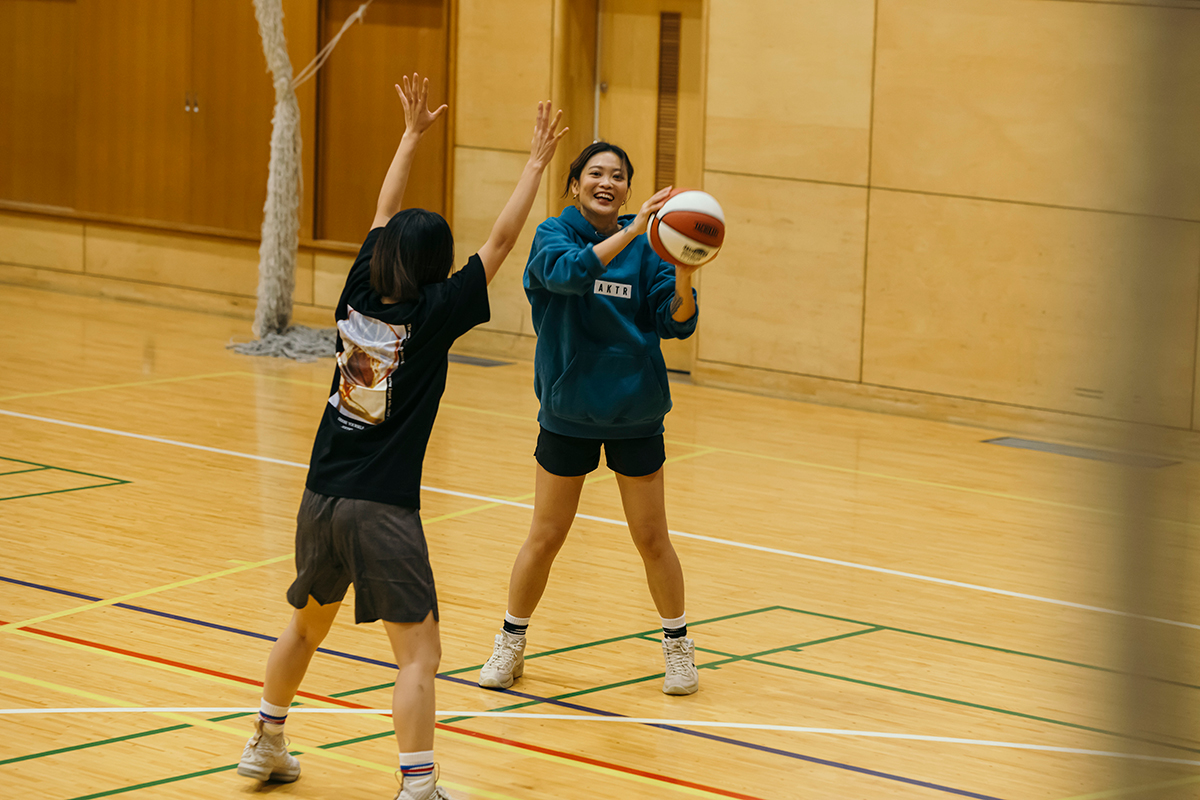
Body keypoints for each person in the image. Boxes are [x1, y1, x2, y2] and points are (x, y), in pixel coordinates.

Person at [236, 74, 567, 800]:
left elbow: (385, 212)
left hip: (322, 494)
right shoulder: (438, 311)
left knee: (304, 627)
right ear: (434, 267)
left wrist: (412, 135)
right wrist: (537, 165)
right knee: (420, 653)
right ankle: (418, 788)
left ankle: (266, 740)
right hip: (382, 508)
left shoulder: (358, 288)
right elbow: (504, 238)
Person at [478, 141, 704, 696]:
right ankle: (511, 641)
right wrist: (633, 233)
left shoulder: (652, 246)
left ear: (629, 187)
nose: (608, 182)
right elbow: (567, 275)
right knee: (545, 536)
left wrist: (682, 271)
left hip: (635, 414)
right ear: (575, 184)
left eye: (619, 176)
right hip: (568, 412)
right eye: (596, 173)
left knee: (653, 539)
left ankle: (678, 648)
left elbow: (675, 323)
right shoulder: (554, 235)